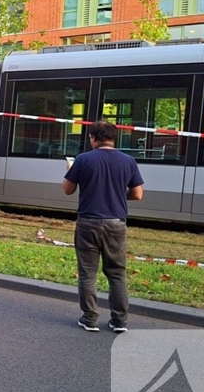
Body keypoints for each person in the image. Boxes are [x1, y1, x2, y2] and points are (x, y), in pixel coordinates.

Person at [62, 120, 144, 333]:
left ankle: (90, 319)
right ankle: (119, 321)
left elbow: (67, 190)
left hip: (88, 222)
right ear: (113, 138)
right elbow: (137, 194)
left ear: (93, 138)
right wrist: (117, 194)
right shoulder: (128, 161)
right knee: (117, 273)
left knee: (88, 273)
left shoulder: (83, 159)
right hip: (116, 223)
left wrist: (71, 170)